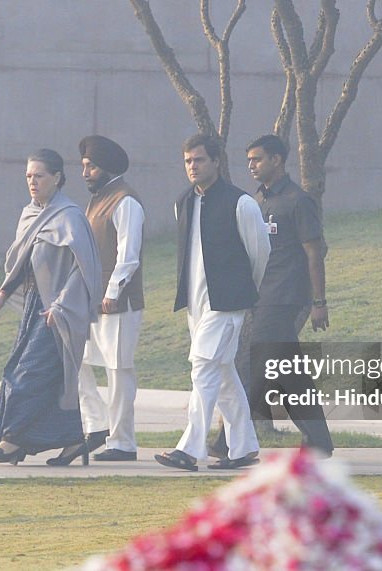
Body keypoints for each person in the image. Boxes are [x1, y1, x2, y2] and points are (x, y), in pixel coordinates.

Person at [210, 135, 335, 458]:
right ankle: (318, 441)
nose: (251, 165)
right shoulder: (259, 201)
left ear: (277, 160)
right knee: (290, 374)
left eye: (258, 159)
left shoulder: (298, 201)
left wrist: (318, 302)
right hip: (259, 296)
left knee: (257, 367)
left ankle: (230, 443)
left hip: (285, 298)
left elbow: (314, 253)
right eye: (249, 160)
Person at [154, 133, 270, 472]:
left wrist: (243, 293)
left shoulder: (241, 203)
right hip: (196, 305)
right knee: (221, 373)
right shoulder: (183, 202)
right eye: (188, 161)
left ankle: (190, 449)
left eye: (199, 160)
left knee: (202, 368)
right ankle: (244, 447)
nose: (193, 166)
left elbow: (260, 253)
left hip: (228, 305)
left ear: (217, 161)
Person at [0, 149, 103, 466]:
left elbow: (84, 269)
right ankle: (74, 440)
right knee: (51, 379)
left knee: (25, 374)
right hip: (35, 306)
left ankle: (12, 440)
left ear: (57, 178)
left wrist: (62, 306)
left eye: (39, 176)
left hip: (58, 311)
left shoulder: (71, 217)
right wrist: (2, 294)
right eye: (28, 176)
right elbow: (22, 263)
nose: (32, 182)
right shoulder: (30, 214)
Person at [75, 135, 145, 462]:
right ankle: (97, 425)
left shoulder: (125, 200)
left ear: (107, 167)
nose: (85, 172)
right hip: (91, 302)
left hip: (118, 304)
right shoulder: (98, 199)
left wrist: (112, 292)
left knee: (118, 371)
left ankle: (122, 443)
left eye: (91, 166)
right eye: (84, 166)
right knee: (78, 361)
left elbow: (128, 256)